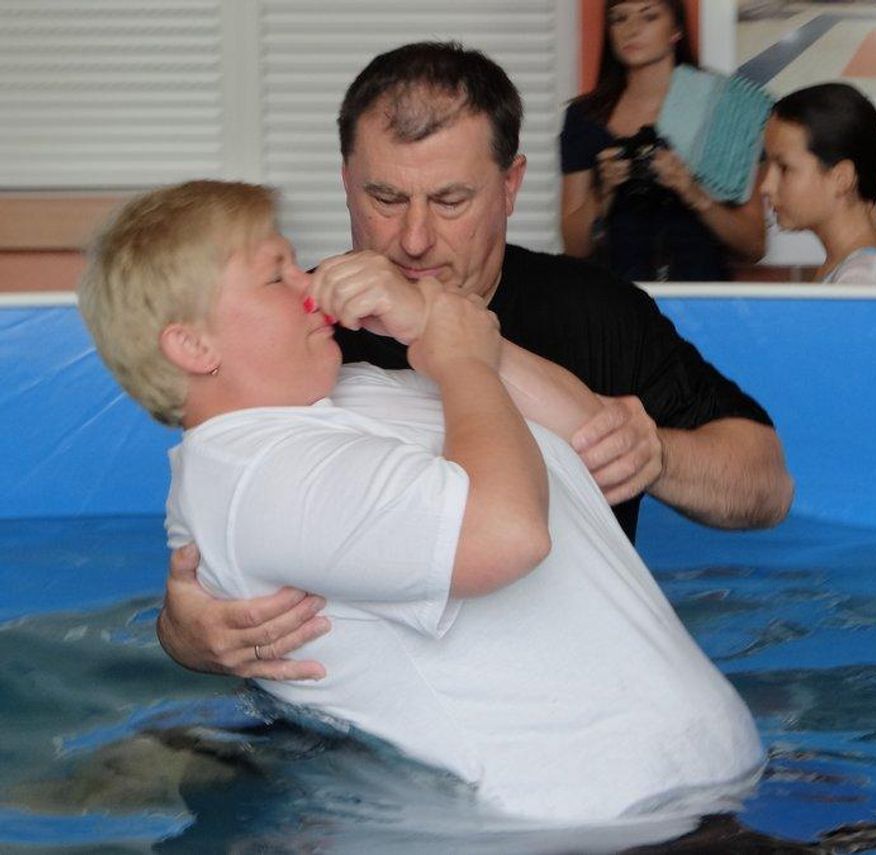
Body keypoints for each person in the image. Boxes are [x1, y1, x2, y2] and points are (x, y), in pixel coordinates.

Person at [77, 178, 764, 825]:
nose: (311, 283)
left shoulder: (348, 391)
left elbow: (596, 437)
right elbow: (506, 536)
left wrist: (430, 321)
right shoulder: (254, 478)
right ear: (193, 345)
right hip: (597, 821)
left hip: (702, 789)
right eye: (276, 274)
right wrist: (460, 358)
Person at [158, 41, 794, 681]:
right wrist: (184, 633)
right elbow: (214, 510)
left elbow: (767, 488)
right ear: (346, 181)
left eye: (450, 201)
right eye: (384, 198)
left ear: (510, 186)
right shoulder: (290, 327)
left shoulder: (597, 311)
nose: (413, 239)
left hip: (565, 688)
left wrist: (656, 453)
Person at [560, 0, 767, 281]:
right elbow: (574, 248)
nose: (631, 29)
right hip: (620, 303)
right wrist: (603, 194)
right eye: (619, 19)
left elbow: (753, 246)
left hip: (701, 301)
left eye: (649, 17)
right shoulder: (585, 117)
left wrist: (692, 192)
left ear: (676, 29)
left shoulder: (723, 107)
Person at [760, 82, 876, 285]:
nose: (766, 186)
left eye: (784, 168)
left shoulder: (865, 279)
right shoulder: (854, 271)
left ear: (842, 178)